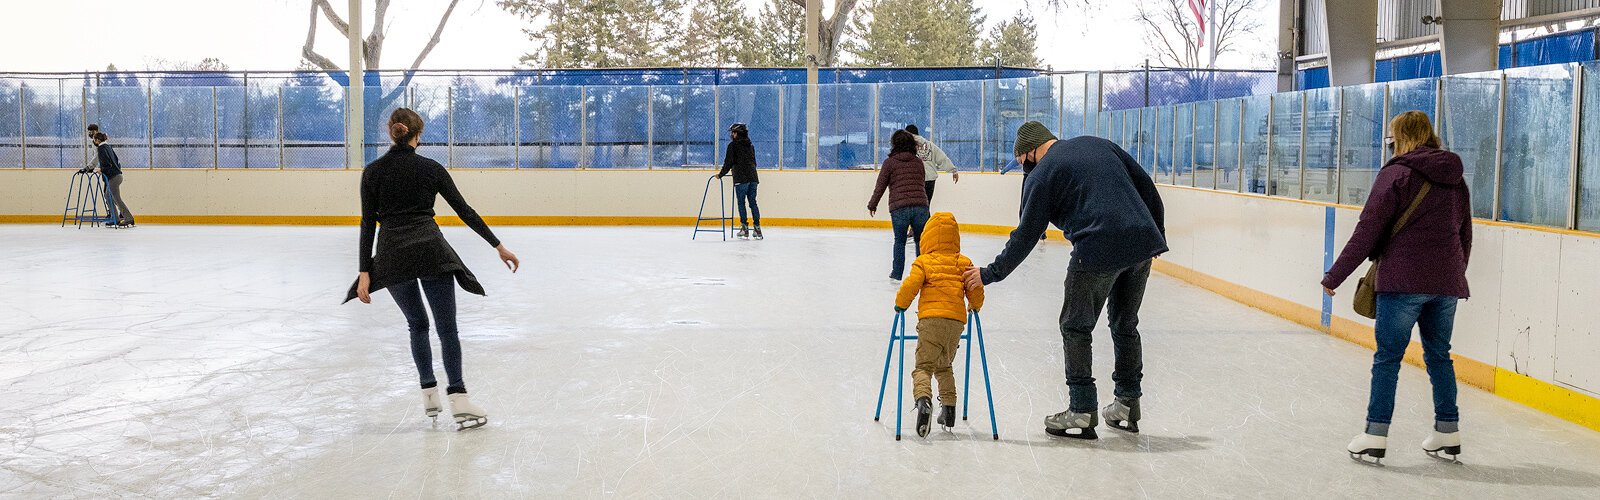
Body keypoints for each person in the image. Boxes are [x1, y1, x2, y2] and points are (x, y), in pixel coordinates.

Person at [962, 121, 1166, 440]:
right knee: (1125, 324)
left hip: (1096, 246)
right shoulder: (1098, 142)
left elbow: (1026, 235)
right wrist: (1157, 234)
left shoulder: (1043, 173)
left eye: (1021, 163)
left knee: (1075, 325)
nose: (1023, 171)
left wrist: (989, 274)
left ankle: (1082, 409)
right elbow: (1145, 185)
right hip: (1142, 240)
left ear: (1029, 152)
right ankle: (1127, 404)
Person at [346, 108, 520, 432]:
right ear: (417, 135)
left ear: (391, 132)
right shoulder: (431, 168)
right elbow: (464, 210)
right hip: (429, 249)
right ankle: (459, 399)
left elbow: (368, 222)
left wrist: (366, 271)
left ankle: (429, 394)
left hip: (392, 253)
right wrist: (498, 246)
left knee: (417, 324)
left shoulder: (372, 172)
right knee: (446, 328)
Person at [1321, 110, 1472, 465]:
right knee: (1439, 356)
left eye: (1391, 136)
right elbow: (1465, 233)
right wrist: (1452, 273)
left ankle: (1375, 435)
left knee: (1388, 358)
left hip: (1402, 280)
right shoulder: (1456, 178)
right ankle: (1448, 431)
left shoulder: (1397, 174)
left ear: (1400, 137)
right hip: (1446, 283)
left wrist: (1334, 277)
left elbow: (1367, 230)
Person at [894, 211, 984, 438]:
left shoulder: (923, 261)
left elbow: (910, 285)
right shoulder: (963, 262)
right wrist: (975, 306)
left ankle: (924, 401)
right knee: (944, 366)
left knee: (923, 366)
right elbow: (975, 288)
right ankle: (949, 410)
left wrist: (900, 305)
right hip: (955, 323)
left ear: (928, 237)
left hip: (931, 320)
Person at [868, 130, 932, 281]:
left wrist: (872, 204)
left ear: (894, 144)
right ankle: (922, 273)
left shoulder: (889, 163)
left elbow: (880, 186)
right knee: (920, 241)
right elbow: (921, 183)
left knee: (900, 241)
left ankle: (897, 274)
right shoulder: (918, 162)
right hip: (920, 206)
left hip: (899, 207)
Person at [718, 123, 762, 240]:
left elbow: (728, 163)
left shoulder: (733, 146)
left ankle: (744, 228)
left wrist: (720, 174)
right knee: (753, 202)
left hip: (741, 179)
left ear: (737, 133)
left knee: (741, 203)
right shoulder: (750, 145)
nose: (732, 135)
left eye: (733, 132)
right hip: (753, 177)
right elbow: (754, 162)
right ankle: (757, 229)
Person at [88, 131, 134, 227]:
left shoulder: (101, 148)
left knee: (116, 198)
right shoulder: (108, 147)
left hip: (113, 177)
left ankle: (129, 218)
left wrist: (102, 170)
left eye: (94, 140)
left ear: (97, 140)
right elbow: (116, 161)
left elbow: (106, 164)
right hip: (117, 175)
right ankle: (115, 218)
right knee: (108, 197)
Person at [903, 124, 958, 203]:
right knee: (926, 205)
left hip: (916, 179)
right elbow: (942, 157)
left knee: (916, 206)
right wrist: (953, 170)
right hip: (930, 180)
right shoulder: (930, 145)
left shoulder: (906, 146)